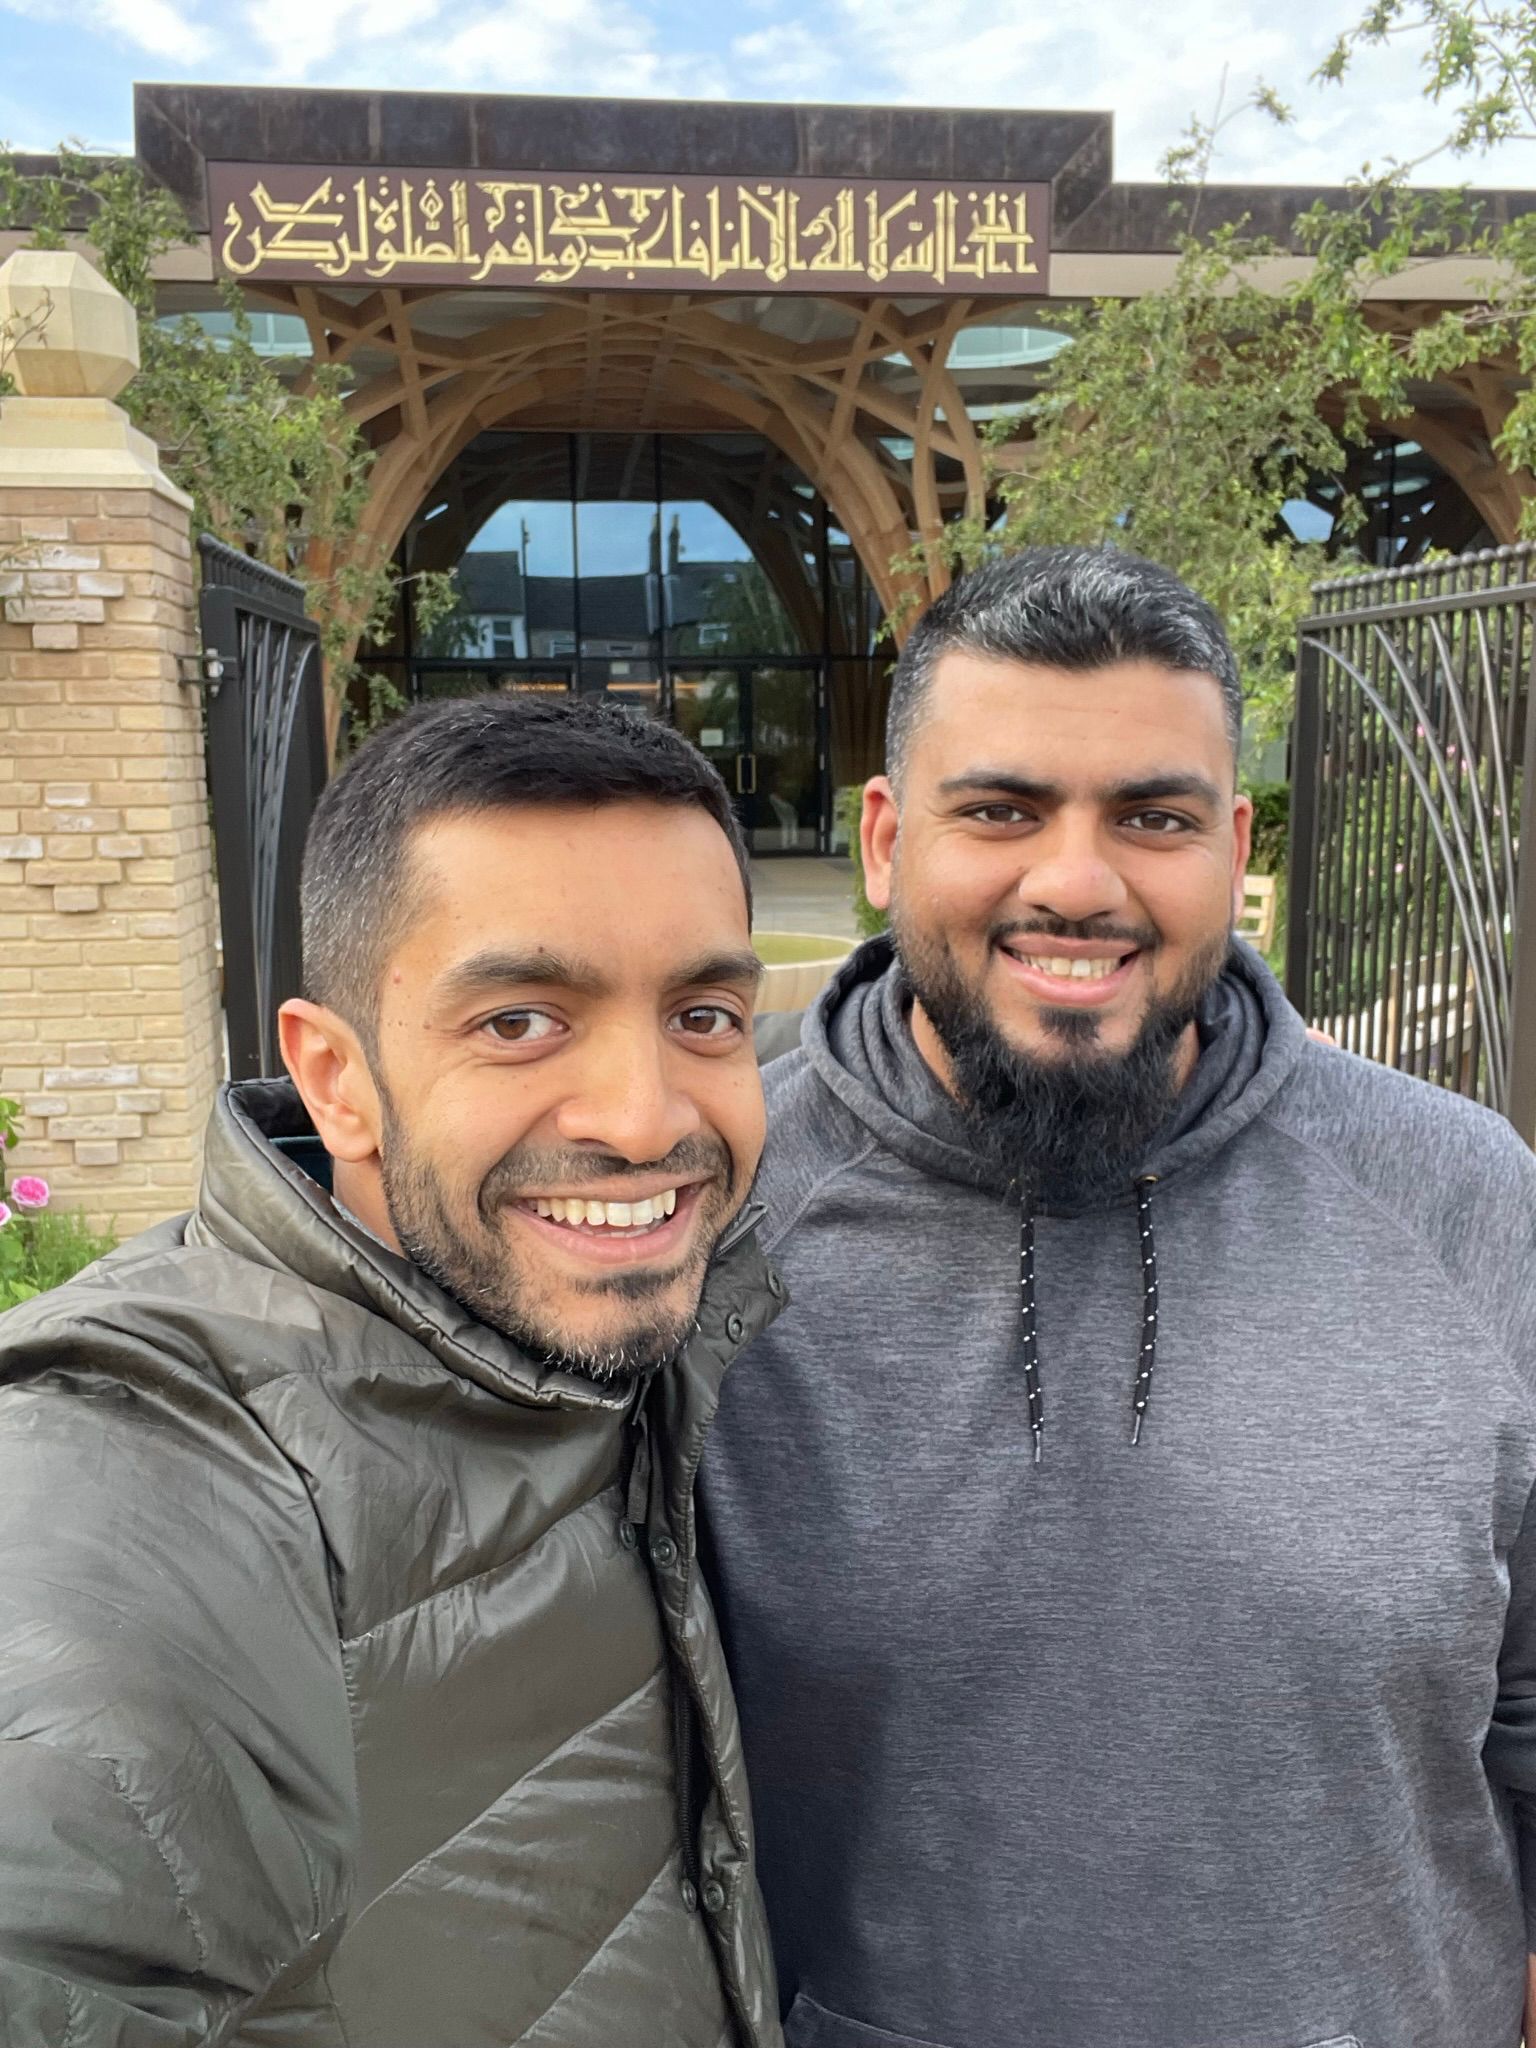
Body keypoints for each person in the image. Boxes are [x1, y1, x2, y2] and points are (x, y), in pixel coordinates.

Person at [702, 545, 1536, 2048]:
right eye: (1001, 811)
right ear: (886, 840)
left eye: (1153, 818)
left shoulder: (1466, 1199)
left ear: (1234, 845)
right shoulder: (709, 1225)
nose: (1077, 884)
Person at [0, 693, 787, 2048]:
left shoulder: (636, 1332)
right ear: (336, 1078)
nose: (645, 1116)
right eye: (521, 1021)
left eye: (703, 1013)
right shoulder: (147, 1464)